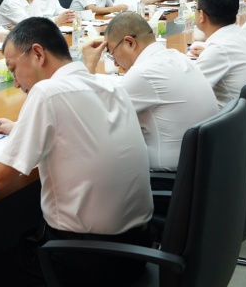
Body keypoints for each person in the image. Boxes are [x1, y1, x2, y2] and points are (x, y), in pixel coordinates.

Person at [0, 17, 152, 287]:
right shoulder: (113, 87)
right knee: (22, 235)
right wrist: (20, 129)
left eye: (13, 69)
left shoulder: (47, 92)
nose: (15, 83)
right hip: (137, 249)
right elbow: (78, 130)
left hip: (84, 260)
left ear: (37, 54)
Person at [81, 12, 218, 171]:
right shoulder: (176, 56)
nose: (116, 63)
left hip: (167, 177)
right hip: (202, 167)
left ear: (130, 43)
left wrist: (89, 66)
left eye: (112, 54)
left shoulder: (144, 73)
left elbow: (92, 121)